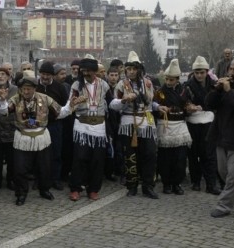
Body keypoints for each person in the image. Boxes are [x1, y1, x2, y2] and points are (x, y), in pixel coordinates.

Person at [0, 70, 71, 205]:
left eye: (29, 89)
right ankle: (21, 193)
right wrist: (2, 100)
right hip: (22, 137)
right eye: (23, 89)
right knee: (20, 169)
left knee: (44, 167)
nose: (25, 92)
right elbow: (4, 112)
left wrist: (71, 104)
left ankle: (44, 190)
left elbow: (60, 113)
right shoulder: (15, 99)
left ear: (35, 89)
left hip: (41, 137)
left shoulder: (45, 98)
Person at [110, 51, 167, 199]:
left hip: (146, 122)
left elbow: (150, 101)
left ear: (139, 69)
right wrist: (123, 101)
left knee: (149, 154)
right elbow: (113, 105)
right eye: (128, 69)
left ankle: (148, 186)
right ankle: (132, 186)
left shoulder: (148, 83)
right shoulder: (121, 85)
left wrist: (157, 107)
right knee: (130, 156)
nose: (131, 72)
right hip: (129, 123)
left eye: (134, 69)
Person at [68, 58, 111, 201]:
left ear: (95, 72)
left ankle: (93, 189)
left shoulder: (104, 84)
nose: (85, 74)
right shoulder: (76, 85)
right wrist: (74, 102)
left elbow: (111, 103)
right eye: (83, 71)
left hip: (99, 126)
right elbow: (70, 105)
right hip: (82, 125)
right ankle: (76, 188)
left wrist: (122, 101)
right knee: (79, 158)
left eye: (88, 71)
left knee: (97, 159)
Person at [183, 56, 222, 195]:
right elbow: (183, 101)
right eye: (197, 72)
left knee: (209, 154)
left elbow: (218, 102)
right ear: (193, 73)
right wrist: (188, 106)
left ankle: (211, 184)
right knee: (193, 153)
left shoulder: (214, 85)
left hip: (209, 121)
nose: (199, 75)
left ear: (206, 72)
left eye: (202, 72)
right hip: (193, 122)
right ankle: (196, 181)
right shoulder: (187, 86)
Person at [154, 59, 192, 195]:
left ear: (177, 79)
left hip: (180, 125)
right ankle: (166, 183)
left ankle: (177, 183)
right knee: (165, 158)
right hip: (166, 126)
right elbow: (155, 107)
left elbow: (187, 105)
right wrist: (161, 110)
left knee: (180, 158)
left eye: (171, 80)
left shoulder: (184, 91)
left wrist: (189, 108)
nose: (169, 82)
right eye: (167, 79)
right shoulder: (159, 92)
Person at [36, 61, 69, 191]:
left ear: (52, 75)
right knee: (39, 153)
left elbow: (65, 106)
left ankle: (55, 179)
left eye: (48, 75)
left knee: (56, 153)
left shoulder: (59, 87)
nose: (45, 77)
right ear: (40, 74)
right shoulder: (34, 86)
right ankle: (39, 179)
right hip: (38, 126)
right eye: (43, 74)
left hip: (55, 125)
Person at [206, 74, 234, 217]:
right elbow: (209, 104)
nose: (231, 73)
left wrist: (229, 92)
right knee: (223, 172)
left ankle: (223, 206)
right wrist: (217, 90)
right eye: (231, 69)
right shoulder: (223, 88)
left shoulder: (229, 91)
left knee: (232, 177)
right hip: (221, 137)